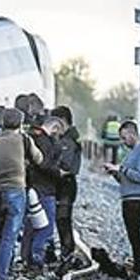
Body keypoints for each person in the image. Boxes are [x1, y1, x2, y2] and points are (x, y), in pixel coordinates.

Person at [0, 108, 44, 280]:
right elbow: (39, 159)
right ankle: (0, 279)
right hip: (16, 191)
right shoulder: (24, 140)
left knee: (0, 234)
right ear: (20, 123)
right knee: (9, 237)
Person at [102, 119, 140, 276]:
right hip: (129, 198)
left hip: (137, 200)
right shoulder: (133, 152)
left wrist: (121, 169)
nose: (123, 142)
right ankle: (138, 265)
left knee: (134, 234)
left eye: (124, 138)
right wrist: (115, 173)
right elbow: (127, 177)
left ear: (132, 134)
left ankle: (138, 268)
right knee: (132, 234)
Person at [21, 116, 67, 272]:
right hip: (45, 188)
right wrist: (59, 173)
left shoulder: (32, 137)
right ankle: (37, 259)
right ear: (54, 127)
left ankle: (27, 258)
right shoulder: (45, 141)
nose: (58, 137)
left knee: (31, 225)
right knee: (45, 227)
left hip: (31, 187)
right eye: (58, 133)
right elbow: (45, 164)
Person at [51, 106, 82, 261]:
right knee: (61, 220)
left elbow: (66, 165)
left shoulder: (68, 142)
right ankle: (66, 252)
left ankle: (67, 253)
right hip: (64, 185)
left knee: (62, 219)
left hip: (65, 185)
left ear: (63, 121)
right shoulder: (69, 139)